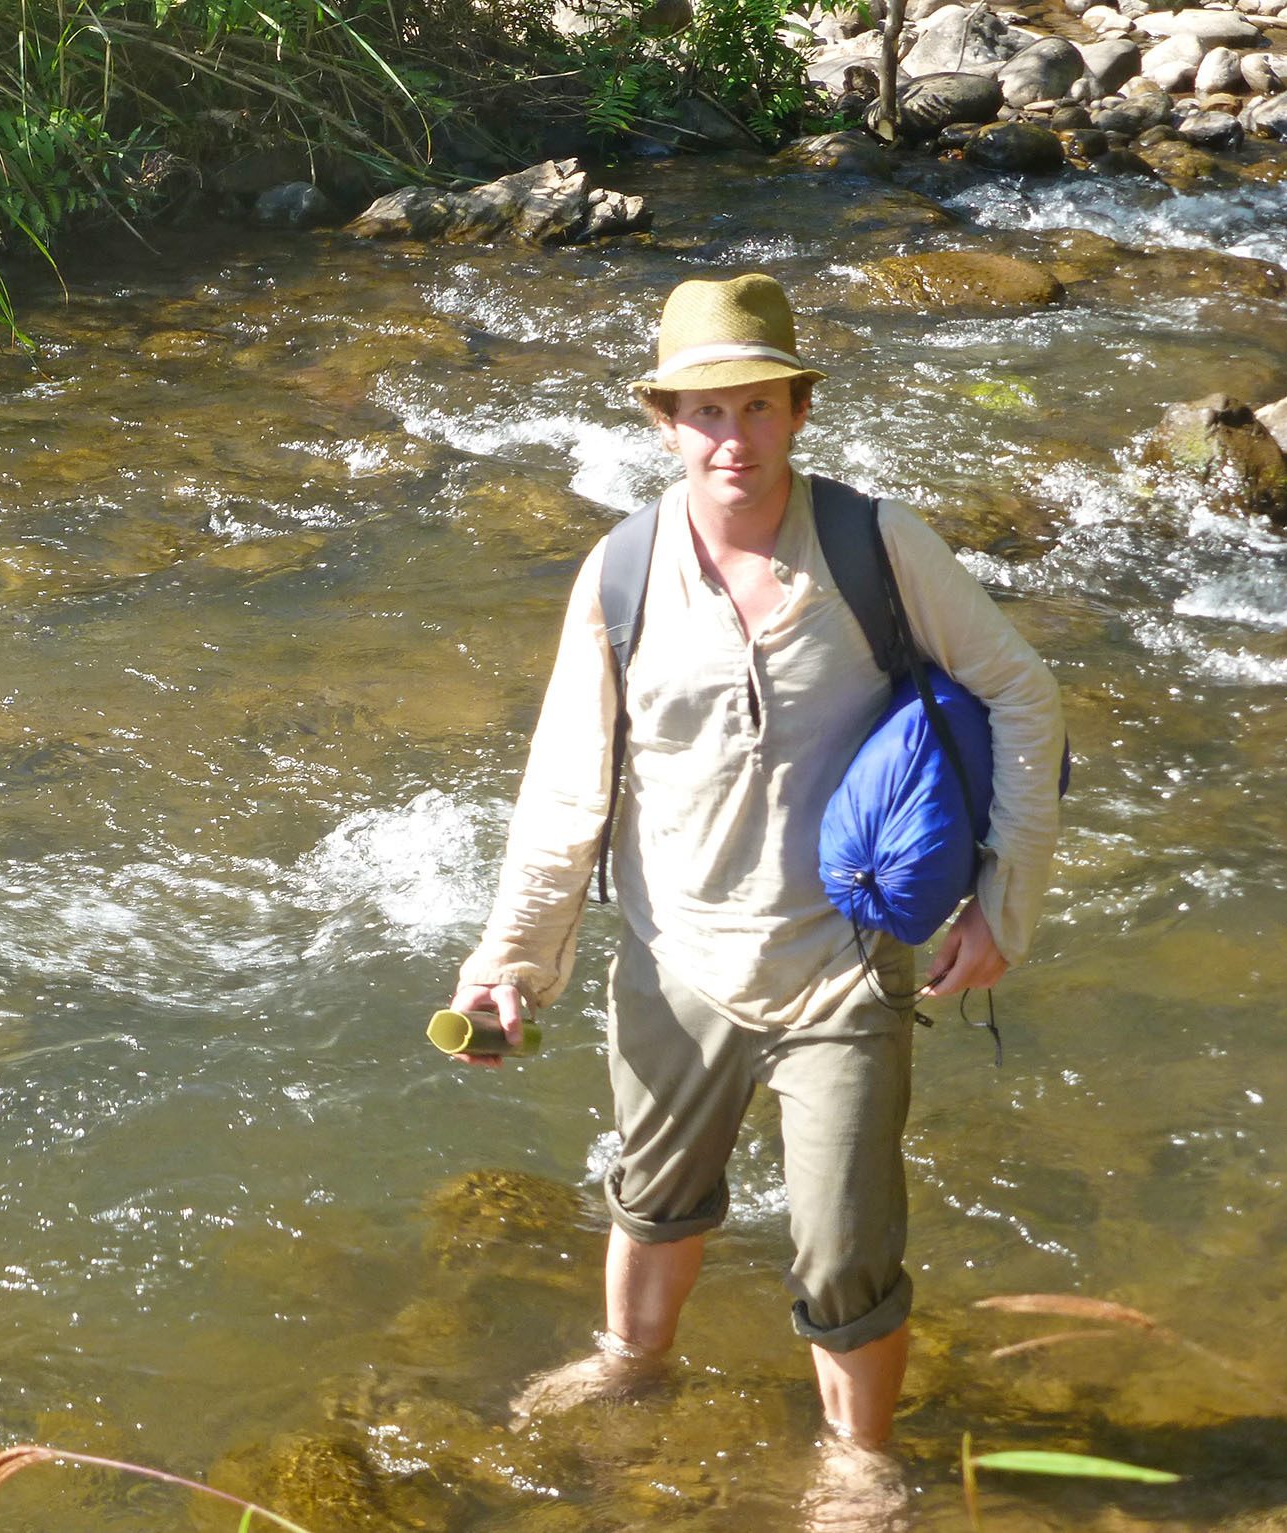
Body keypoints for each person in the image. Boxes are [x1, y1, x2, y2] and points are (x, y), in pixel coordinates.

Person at [447, 272, 1066, 1515]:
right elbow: (566, 787)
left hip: (842, 964)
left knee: (844, 1246)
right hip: (673, 956)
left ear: (796, 413)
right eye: (703, 414)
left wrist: (1002, 899)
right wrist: (509, 961)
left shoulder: (875, 546)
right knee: (652, 1195)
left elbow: (1021, 690)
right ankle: (627, 1369)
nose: (731, 441)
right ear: (663, 422)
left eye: (757, 409)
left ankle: (857, 1461)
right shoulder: (618, 573)